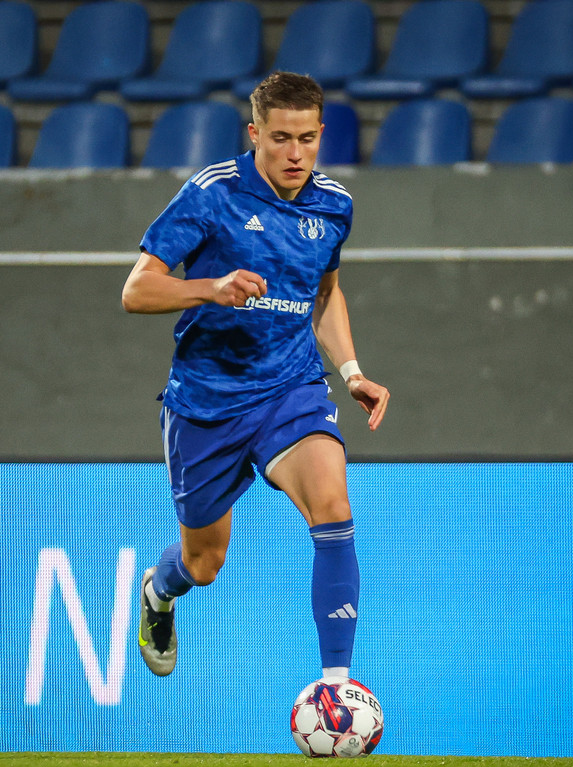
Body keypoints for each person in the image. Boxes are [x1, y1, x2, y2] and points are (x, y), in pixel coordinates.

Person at [122, 71, 390, 684]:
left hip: (291, 389)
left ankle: (336, 689)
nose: (295, 153)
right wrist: (210, 288)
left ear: (321, 134)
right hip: (207, 400)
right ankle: (159, 590)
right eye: (280, 138)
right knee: (204, 562)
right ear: (255, 135)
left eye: (307, 138)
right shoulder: (212, 193)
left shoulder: (335, 206)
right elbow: (137, 291)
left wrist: (351, 371)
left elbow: (325, 293)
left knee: (332, 503)